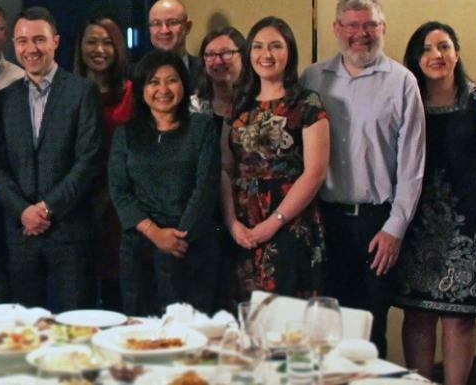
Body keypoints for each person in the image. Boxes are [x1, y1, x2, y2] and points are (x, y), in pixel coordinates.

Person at [301, 0, 424, 354]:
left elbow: (412, 165)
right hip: (324, 220)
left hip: (377, 226)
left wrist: (395, 229)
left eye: (369, 25)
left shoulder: (402, 83)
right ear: (337, 28)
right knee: (327, 327)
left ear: (382, 27)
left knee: (370, 331)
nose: (361, 33)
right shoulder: (312, 79)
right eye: (352, 25)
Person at [394, 22, 476, 385]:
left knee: (460, 316)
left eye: (445, 46)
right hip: (416, 223)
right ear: (415, 59)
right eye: (427, 49)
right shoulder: (407, 103)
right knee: (418, 314)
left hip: (468, 226)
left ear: (457, 53)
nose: (437, 55)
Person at [0, 7, 102, 311]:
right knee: (24, 332)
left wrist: (47, 208)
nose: (30, 49)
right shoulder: (4, 100)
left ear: (56, 42)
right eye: (23, 41)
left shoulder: (82, 92)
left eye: (39, 39)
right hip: (21, 235)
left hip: (69, 232)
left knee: (75, 328)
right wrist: (24, 210)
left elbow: (88, 161)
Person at [221, 17, 329, 300]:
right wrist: (232, 223)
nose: (265, 55)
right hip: (242, 225)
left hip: (291, 222)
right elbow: (225, 168)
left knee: (287, 320)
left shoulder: (307, 103)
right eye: (257, 46)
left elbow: (315, 172)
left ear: (290, 52)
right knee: (244, 316)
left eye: (275, 46)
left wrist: (274, 222)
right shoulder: (239, 103)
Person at [109, 49, 222, 315]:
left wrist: (177, 238)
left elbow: (205, 187)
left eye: (171, 80)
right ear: (141, 89)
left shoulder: (202, 127)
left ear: (184, 84)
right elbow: (120, 191)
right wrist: (155, 234)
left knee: (191, 335)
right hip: (140, 251)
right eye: (153, 81)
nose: (163, 89)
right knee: (140, 335)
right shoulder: (126, 134)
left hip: (190, 248)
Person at [73, 16, 135, 309]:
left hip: (119, 204)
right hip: (78, 201)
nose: (99, 49)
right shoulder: (67, 91)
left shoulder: (134, 93)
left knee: (117, 287)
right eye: (91, 41)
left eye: (107, 42)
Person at [140, 0, 204, 93]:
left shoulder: (206, 71)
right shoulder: (135, 75)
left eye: (172, 22)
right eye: (156, 24)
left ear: (187, 27)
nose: (164, 30)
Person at [192, 27, 247, 119]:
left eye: (226, 53)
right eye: (210, 54)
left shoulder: (258, 105)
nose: (218, 61)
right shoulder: (193, 107)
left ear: (243, 56)